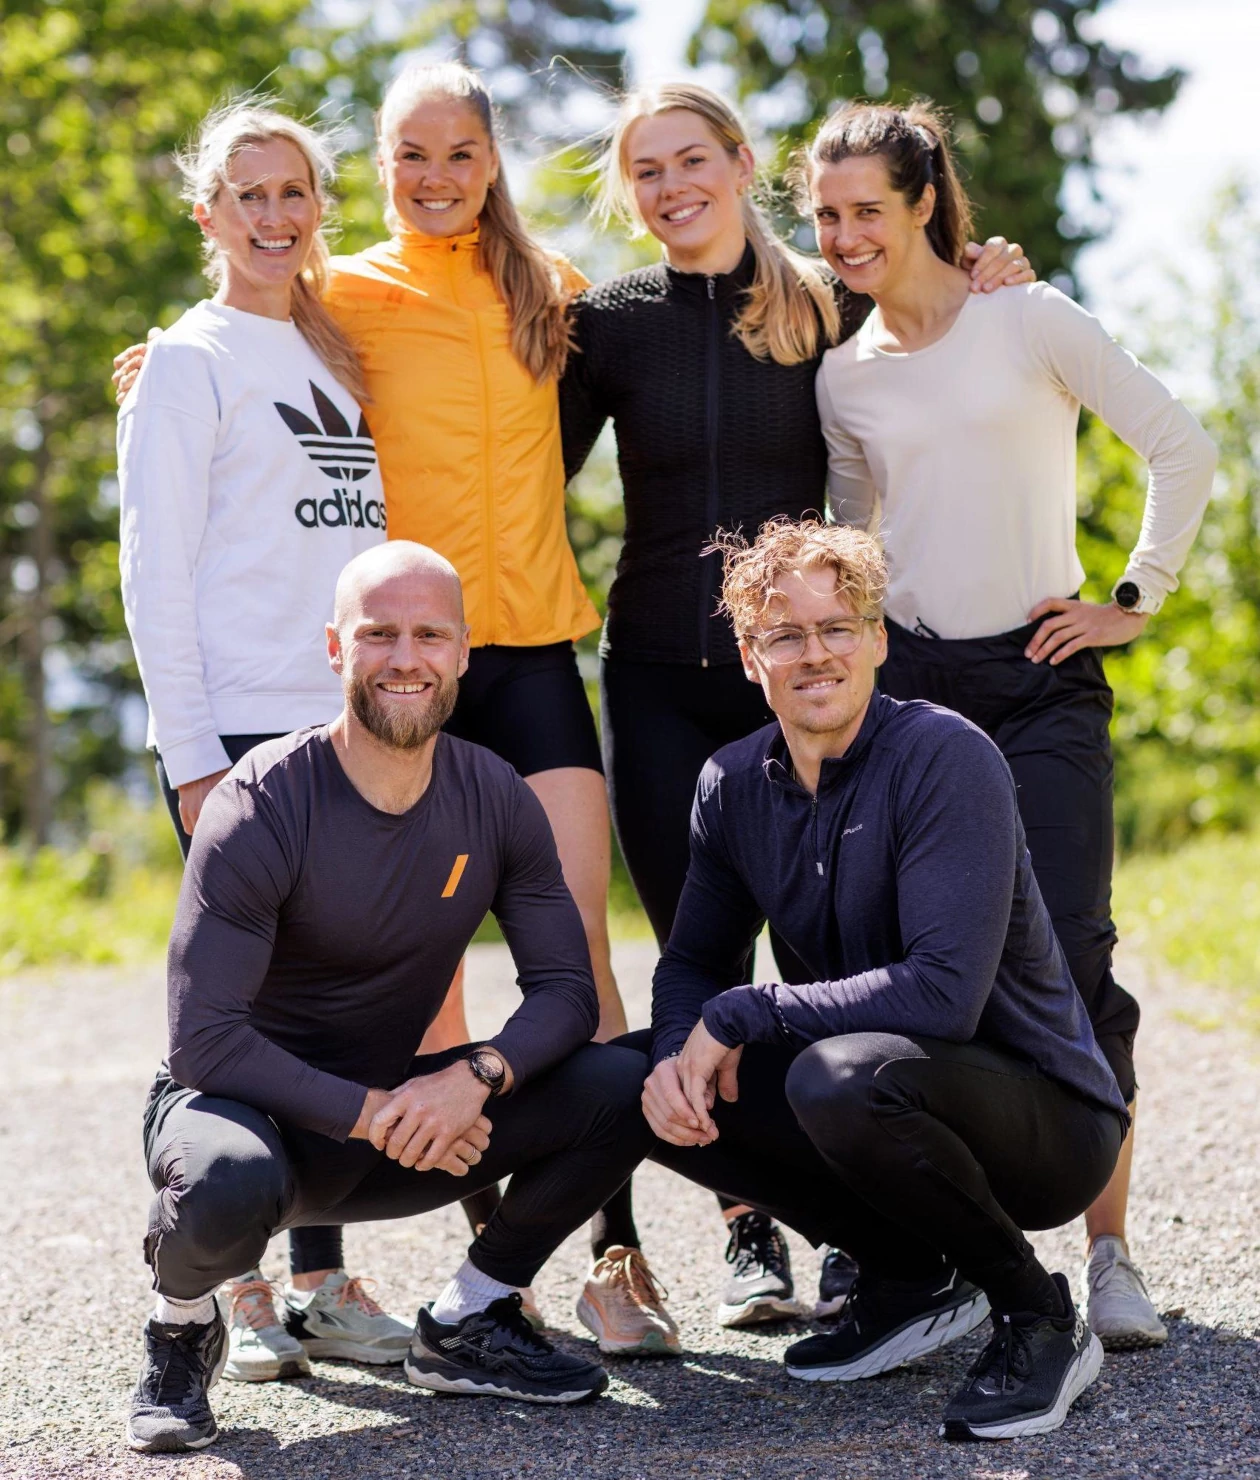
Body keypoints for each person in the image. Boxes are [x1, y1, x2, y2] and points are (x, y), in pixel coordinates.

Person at [114, 64, 673, 1356]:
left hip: (457, 667)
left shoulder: (498, 304)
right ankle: (278, 1276)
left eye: (460, 153)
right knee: (316, 985)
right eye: (408, 155)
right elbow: (172, 517)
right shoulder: (281, 325)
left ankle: (546, 1266)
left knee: (500, 970)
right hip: (316, 698)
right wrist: (189, 751)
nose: (434, 177)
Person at [561, 79, 1034, 1327]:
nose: (671, 189)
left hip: (807, 679)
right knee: (697, 952)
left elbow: (937, 330)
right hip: (661, 678)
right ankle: (748, 1225)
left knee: (840, 954)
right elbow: (501, 456)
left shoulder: (825, 305)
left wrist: (989, 273)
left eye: (690, 161)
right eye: (646, 172)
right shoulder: (603, 323)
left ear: (738, 161)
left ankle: (867, 1220)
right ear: (631, 190)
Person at [800, 101, 1216, 1348]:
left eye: (867, 208)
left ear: (927, 200)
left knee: (1076, 955)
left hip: (1040, 679)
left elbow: (1179, 447)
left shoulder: (1029, 318)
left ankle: (1112, 1259)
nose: (845, 235)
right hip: (914, 693)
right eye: (825, 216)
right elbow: (850, 548)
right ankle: (937, 1257)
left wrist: (1131, 601)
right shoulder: (842, 375)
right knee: (919, 967)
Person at [126, 542, 654, 1454]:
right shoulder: (261, 802)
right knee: (217, 1184)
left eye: (428, 634)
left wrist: (476, 1077)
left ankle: (469, 1321)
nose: (404, 657)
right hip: (252, 1119)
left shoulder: (492, 795)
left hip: (404, 1119)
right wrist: (375, 1112)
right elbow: (204, 1041)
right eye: (378, 634)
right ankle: (181, 1331)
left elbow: (566, 992)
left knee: (630, 1078)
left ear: (462, 653)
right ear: (336, 648)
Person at [637, 518, 1128, 1441]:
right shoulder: (732, 783)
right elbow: (696, 960)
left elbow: (945, 994)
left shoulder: (945, 755)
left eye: (837, 628)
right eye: (785, 634)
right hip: (890, 1088)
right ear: (751, 657)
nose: (814, 653)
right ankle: (905, 1277)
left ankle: (1036, 1312)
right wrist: (674, 1052)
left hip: (1047, 1119)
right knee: (636, 1077)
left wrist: (748, 1012)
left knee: (840, 1074)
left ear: (876, 641)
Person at [117, 103, 412, 1383]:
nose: (276, 215)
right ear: (209, 215)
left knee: (328, 1009)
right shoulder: (188, 362)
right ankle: (231, 1286)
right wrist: (190, 753)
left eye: (294, 192)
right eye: (250, 195)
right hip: (231, 729)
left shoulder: (333, 353)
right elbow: (153, 572)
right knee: (230, 1011)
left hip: (331, 722)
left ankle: (321, 1276)